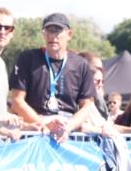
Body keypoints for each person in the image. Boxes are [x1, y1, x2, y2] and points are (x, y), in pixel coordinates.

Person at [9, 13, 95, 143]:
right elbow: (16, 101)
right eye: (48, 31)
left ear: (69, 34)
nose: (52, 36)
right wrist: (43, 124)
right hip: (36, 130)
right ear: (43, 34)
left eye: (57, 31)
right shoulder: (28, 58)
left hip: (67, 131)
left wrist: (67, 127)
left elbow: (87, 106)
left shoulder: (81, 64)